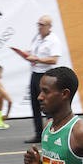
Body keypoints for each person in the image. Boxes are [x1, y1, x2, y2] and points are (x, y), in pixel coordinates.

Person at [23, 15, 63, 143]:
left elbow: (54, 59)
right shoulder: (37, 38)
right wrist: (27, 54)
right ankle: (38, 134)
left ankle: (52, 134)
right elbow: (33, 52)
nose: (39, 27)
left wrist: (37, 59)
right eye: (38, 24)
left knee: (48, 106)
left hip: (46, 76)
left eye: (42, 25)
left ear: (49, 27)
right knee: (35, 105)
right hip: (35, 73)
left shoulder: (53, 40)